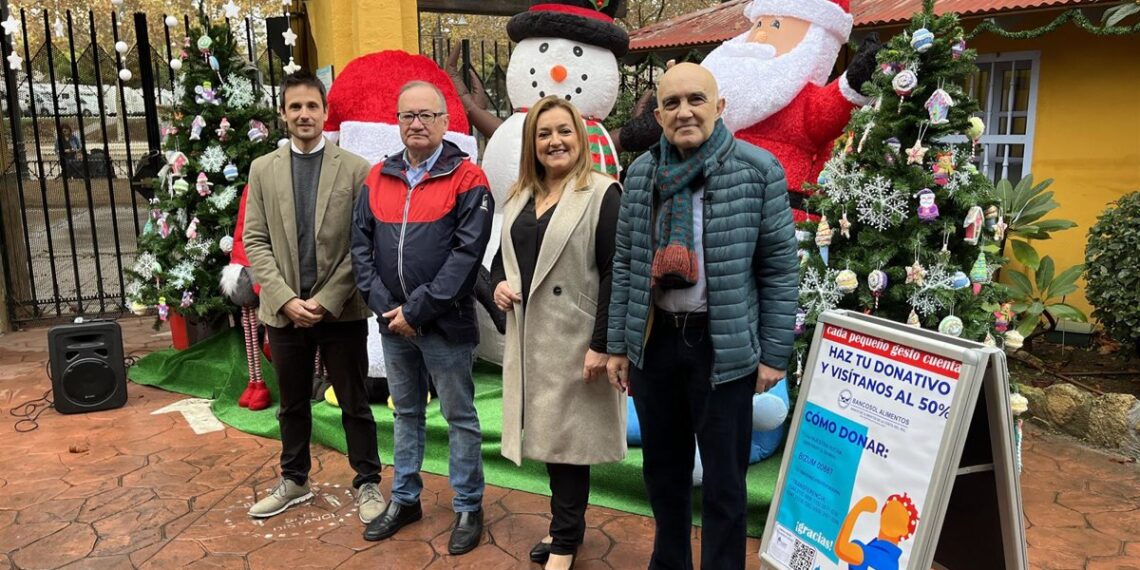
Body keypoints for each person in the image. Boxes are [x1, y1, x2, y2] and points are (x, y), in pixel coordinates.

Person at [606, 63, 799, 569]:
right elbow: (627, 262)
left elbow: (779, 269)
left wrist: (774, 355)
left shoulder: (758, 170)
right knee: (663, 474)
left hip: (723, 347)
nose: (684, 111)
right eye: (671, 103)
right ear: (658, 113)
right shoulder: (643, 171)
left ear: (719, 107)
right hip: (657, 344)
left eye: (696, 99)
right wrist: (620, 345)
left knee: (725, 482)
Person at [351, 80, 494, 555]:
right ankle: (405, 498)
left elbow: (466, 257)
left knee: (459, 416)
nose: (416, 123)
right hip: (393, 325)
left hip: (444, 324)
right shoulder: (377, 177)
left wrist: (416, 311)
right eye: (408, 115)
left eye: (427, 115)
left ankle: (469, 505)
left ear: (444, 122)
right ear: (398, 121)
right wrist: (387, 310)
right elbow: (361, 250)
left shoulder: (469, 178)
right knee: (406, 412)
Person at [242, 70, 385, 524]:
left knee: (354, 400)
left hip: (340, 310)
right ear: (284, 115)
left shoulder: (356, 169)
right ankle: (295, 479)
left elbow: (361, 244)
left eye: (312, 106)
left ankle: (367, 482)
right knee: (292, 402)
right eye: (295, 107)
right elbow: (256, 240)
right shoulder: (263, 169)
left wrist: (325, 299)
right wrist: (284, 299)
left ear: (325, 112)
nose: (304, 114)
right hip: (284, 313)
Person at [489, 96, 625, 570]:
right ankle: (566, 528)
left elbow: (615, 272)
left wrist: (602, 346)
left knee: (569, 448)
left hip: (574, 340)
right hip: (530, 341)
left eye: (563, 131)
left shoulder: (604, 193)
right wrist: (498, 288)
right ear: (533, 144)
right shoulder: (519, 195)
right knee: (549, 442)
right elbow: (497, 263)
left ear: (580, 138)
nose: (555, 141)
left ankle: (565, 543)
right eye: (544, 134)